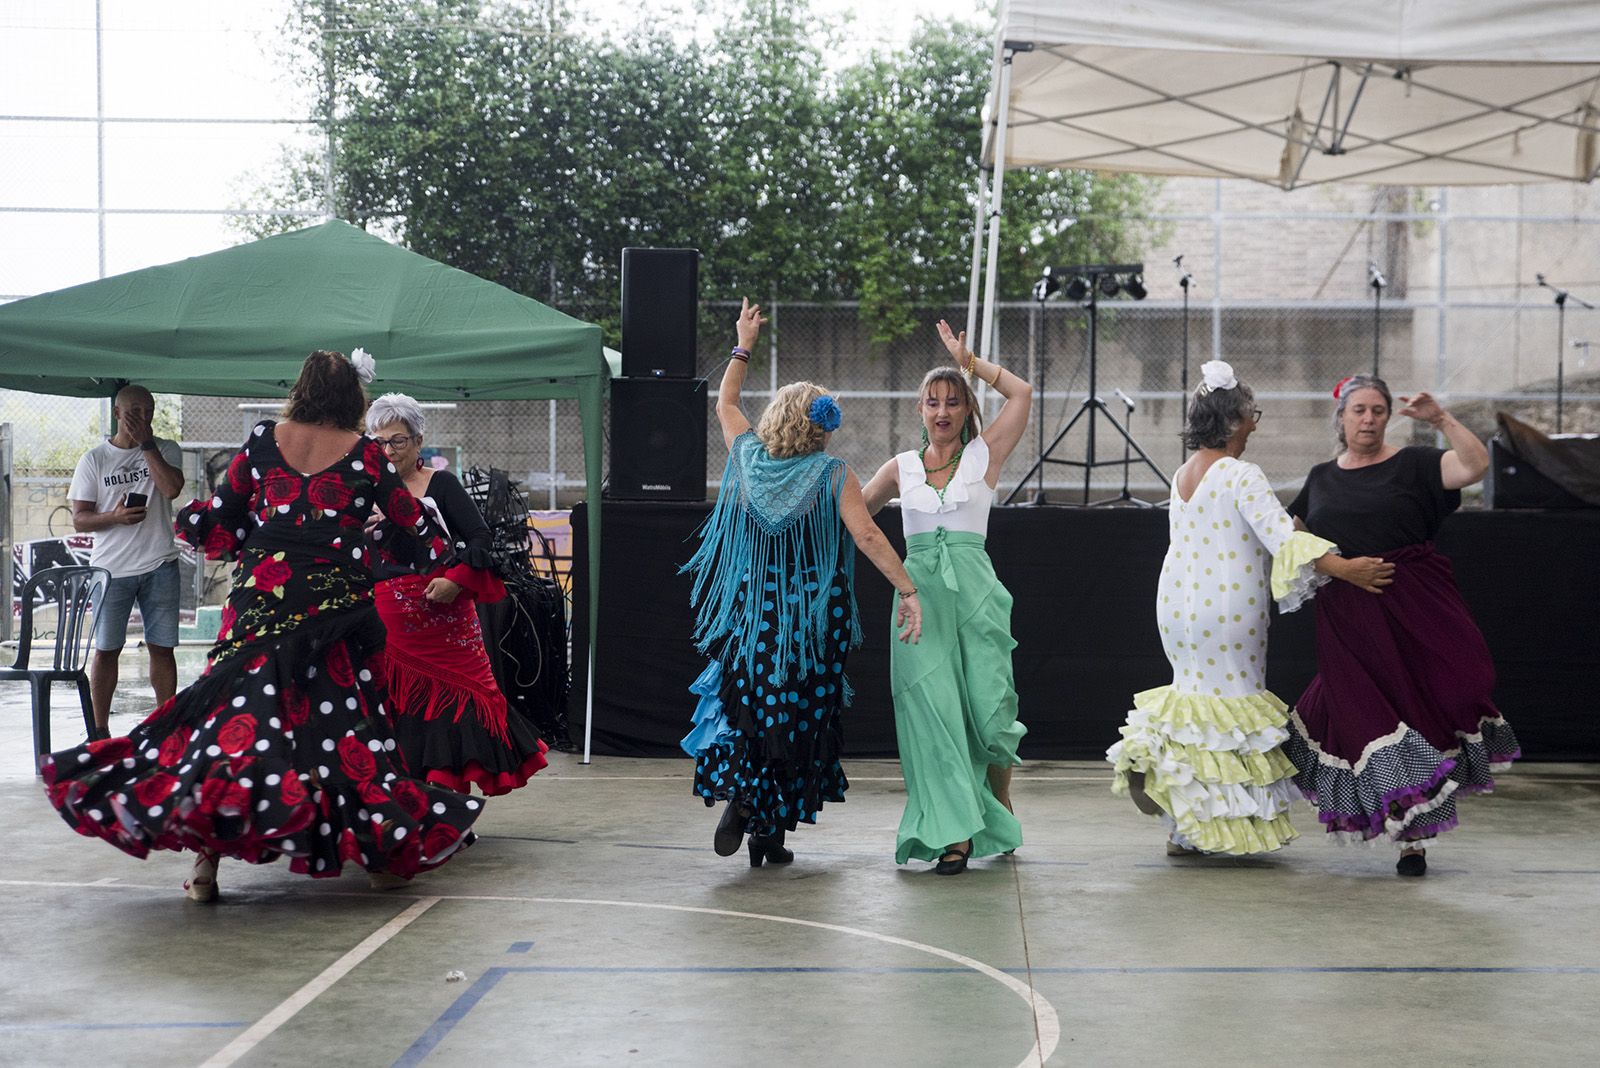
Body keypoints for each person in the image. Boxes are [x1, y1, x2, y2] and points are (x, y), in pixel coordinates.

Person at [41, 350, 484, 900]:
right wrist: (433, 551)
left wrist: (236, 527)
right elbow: (414, 521)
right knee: (345, 729)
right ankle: (380, 858)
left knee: (236, 721)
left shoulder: (262, 439)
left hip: (262, 601)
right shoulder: (368, 456)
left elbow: (221, 514)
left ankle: (206, 866)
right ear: (353, 398)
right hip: (334, 610)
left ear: (300, 391)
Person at [1105, 361, 1394, 856]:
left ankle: (1184, 824)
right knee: (1233, 710)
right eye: (1251, 414)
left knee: (1194, 705)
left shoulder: (1182, 474)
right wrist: (1347, 570)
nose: (1255, 423)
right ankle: (1223, 829)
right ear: (1235, 421)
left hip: (1178, 604)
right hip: (1228, 606)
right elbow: (1282, 539)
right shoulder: (1241, 473)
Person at [682, 298, 922, 867]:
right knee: (800, 718)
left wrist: (743, 343)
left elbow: (726, 401)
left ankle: (757, 818)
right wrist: (908, 589)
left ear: (778, 419)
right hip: (814, 621)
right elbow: (867, 537)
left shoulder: (746, 456)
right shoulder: (832, 473)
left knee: (756, 711)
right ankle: (766, 823)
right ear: (820, 425)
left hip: (754, 616)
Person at [1283, 374, 1521, 877]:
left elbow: (1475, 465)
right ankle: (1412, 839)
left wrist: (1440, 418)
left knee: (1447, 691)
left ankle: (1416, 816)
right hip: (1349, 615)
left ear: (1389, 416)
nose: (1368, 419)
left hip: (1416, 605)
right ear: (1342, 417)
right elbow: (1292, 540)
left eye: (1377, 410)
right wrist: (1337, 568)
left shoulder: (1414, 464)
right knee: (1367, 716)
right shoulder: (1321, 476)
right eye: (1359, 410)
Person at [860, 320, 1031, 874]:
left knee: (991, 713)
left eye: (952, 402)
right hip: (918, 606)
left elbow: (1022, 393)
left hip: (976, 596)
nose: (941, 412)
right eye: (932, 403)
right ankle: (953, 833)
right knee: (934, 715)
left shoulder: (985, 455)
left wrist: (969, 361)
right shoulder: (902, 468)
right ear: (919, 410)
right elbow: (853, 515)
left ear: (965, 409)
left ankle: (997, 800)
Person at [366, 393, 548, 795]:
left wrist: (457, 580)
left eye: (397, 440)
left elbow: (482, 538)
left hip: (446, 621)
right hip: (389, 628)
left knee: (458, 709)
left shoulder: (440, 483)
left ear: (417, 440)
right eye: (378, 443)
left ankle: (452, 804)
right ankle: (412, 800)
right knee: (400, 712)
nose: (388, 450)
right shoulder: (366, 490)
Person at [68, 384, 185, 739]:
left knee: (162, 648)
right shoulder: (95, 459)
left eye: (147, 411)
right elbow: (79, 519)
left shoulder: (166, 449)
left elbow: (171, 489)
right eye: (133, 411)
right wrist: (115, 517)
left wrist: (147, 443)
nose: (140, 417)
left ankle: (165, 725)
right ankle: (99, 729)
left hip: (160, 564)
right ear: (117, 413)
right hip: (111, 570)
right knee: (107, 649)